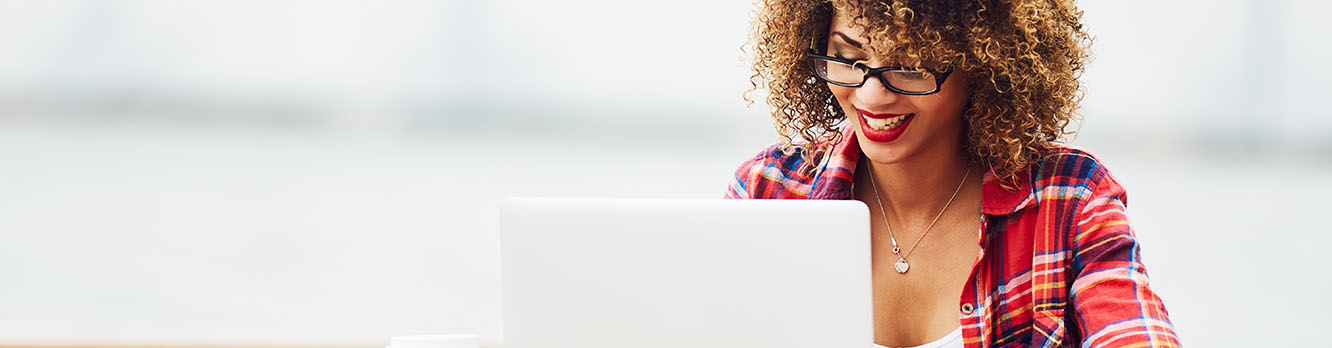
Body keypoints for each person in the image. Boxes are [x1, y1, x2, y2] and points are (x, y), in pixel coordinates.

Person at [725, 0, 1180, 347]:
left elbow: (1131, 330)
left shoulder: (1067, 200)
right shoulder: (767, 191)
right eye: (849, 58)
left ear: (983, 63)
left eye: (910, 65)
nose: (873, 95)